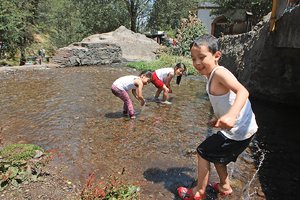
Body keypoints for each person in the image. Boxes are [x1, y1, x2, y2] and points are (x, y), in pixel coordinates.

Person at [177, 34, 258, 200]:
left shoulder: (220, 72)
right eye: (193, 59)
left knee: (202, 152)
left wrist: (231, 116)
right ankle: (225, 187)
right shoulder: (210, 76)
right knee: (217, 157)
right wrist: (219, 118)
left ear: (217, 55)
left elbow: (243, 92)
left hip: (238, 129)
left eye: (202, 57)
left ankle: (198, 192)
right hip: (242, 129)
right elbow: (225, 100)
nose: (197, 63)